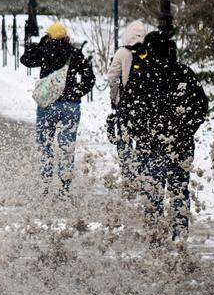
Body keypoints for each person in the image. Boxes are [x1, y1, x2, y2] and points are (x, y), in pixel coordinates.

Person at [118, 30, 208, 241]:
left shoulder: (140, 75)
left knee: (153, 191)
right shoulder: (184, 73)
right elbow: (200, 106)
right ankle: (180, 234)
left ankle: (155, 233)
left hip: (150, 144)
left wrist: (139, 133)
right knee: (179, 189)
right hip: (180, 143)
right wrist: (186, 129)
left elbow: (128, 110)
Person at [20, 22, 96, 194]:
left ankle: (46, 180)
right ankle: (64, 183)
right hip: (70, 104)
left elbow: (25, 59)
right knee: (67, 143)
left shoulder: (44, 51)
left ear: (49, 36)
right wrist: (77, 92)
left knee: (44, 142)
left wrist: (40, 44)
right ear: (65, 37)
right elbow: (89, 76)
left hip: (48, 103)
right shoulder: (74, 53)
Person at [106, 20, 149, 182]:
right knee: (143, 139)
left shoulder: (122, 53)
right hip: (144, 106)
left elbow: (112, 78)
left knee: (125, 139)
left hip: (126, 104)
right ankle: (142, 172)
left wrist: (115, 99)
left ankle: (128, 174)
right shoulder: (147, 52)